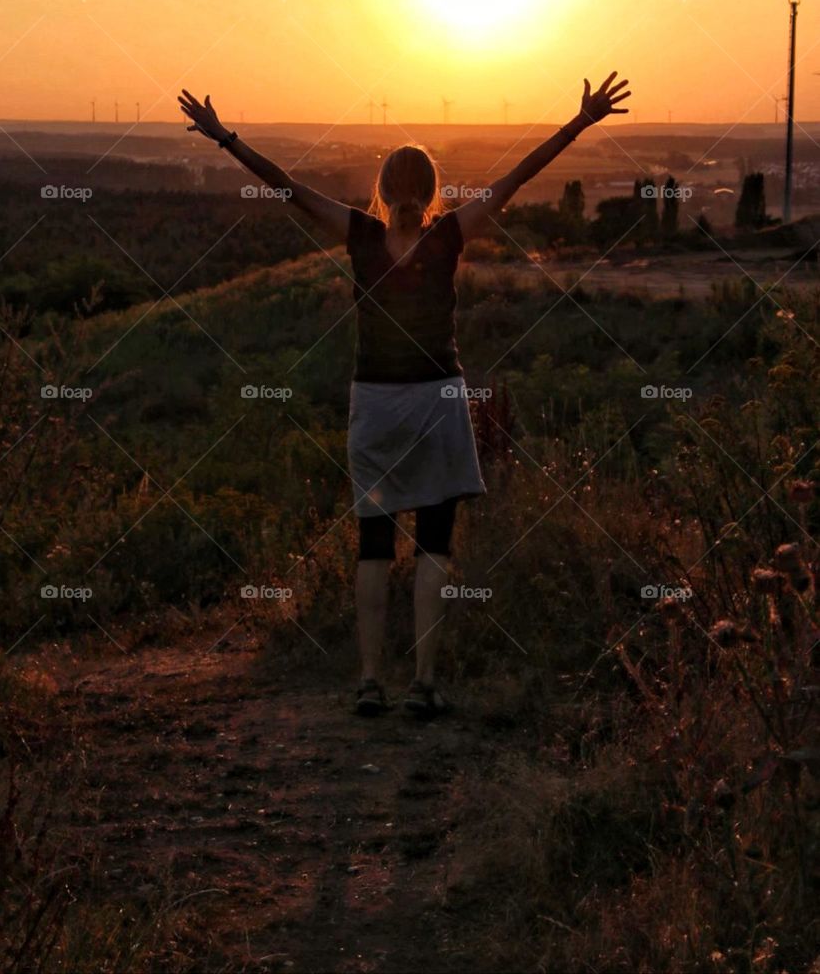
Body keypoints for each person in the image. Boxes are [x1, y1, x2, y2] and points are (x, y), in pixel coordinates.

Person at [178, 72, 631, 717]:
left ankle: (369, 681)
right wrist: (579, 123)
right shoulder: (449, 236)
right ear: (432, 191)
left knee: (372, 545)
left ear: (385, 190)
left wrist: (225, 138)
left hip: (376, 404)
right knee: (434, 545)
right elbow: (517, 177)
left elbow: (286, 186)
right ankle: (423, 684)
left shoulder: (359, 234)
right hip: (438, 401)